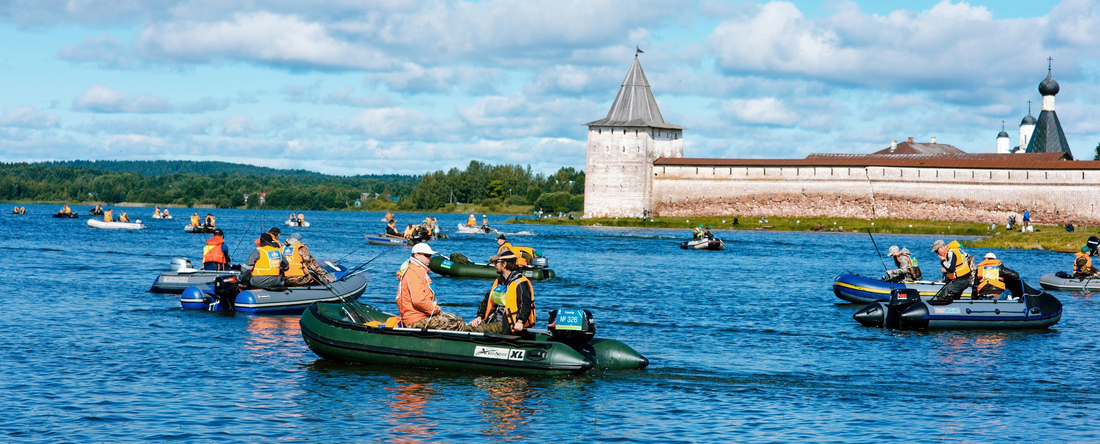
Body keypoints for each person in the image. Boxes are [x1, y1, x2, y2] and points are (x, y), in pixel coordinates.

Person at [396, 243, 465, 330]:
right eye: (426, 255)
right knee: (457, 323)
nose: (429, 258)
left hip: (423, 315)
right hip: (416, 320)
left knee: (456, 318)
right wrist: (435, 310)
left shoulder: (420, 271)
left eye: (430, 256)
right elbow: (418, 300)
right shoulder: (412, 272)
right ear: (417, 255)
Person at [467, 249, 535, 334]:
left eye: (496, 262)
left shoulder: (520, 283)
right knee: (468, 327)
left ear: (504, 264)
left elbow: (525, 304)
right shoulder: (499, 281)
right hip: (493, 319)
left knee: (472, 330)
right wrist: (479, 317)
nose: (494, 264)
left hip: (507, 324)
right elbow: (487, 300)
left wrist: (520, 321)